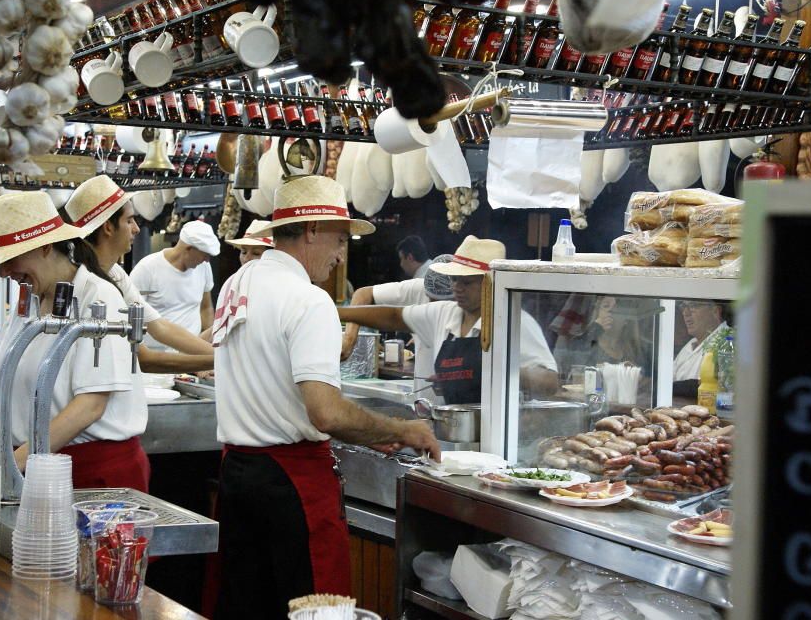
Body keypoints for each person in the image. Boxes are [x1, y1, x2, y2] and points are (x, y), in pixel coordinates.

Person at [211, 175, 439, 619]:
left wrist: (367, 433)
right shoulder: (308, 300)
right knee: (317, 612)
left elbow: (275, 388)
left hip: (238, 477)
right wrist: (404, 429)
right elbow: (326, 413)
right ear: (312, 229)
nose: (340, 254)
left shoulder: (236, 285)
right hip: (291, 488)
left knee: (247, 608)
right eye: (339, 239)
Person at [0, 191, 150, 491]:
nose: (4, 273)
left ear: (44, 246)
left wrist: (16, 463)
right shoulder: (27, 301)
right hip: (32, 466)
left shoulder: (98, 296)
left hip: (92, 475)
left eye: (10, 259)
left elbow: (91, 404)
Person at [339, 236, 560, 404]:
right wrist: (335, 312)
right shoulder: (445, 313)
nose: (456, 288)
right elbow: (394, 316)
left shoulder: (516, 322)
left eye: (466, 282)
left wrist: (496, 372)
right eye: (454, 280)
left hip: (496, 435)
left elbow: (550, 383)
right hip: (452, 432)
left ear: (489, 284)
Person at [64, 175, 214, 373]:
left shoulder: (116, 274)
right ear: (108, 227)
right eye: (129, 220)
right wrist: (219, 361)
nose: (136, 228)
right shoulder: (89, 283)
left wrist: (218, 354)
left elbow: (159, 327)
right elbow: (144, 358)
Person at [340, 254, 454, 401]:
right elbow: (364, 294)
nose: (433, 308)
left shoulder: (476, 308)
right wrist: (349, 339)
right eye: (429, 299)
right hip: (424, 404)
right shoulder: (418, 288)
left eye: (440, 303)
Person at [130, 220, 219, 344]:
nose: (207, 260)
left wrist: (209, 343)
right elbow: (132, 315)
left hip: (193, 350)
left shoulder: (203, 267)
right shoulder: (147, 268)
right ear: (188, 249)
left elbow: (206, 307)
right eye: (204, 255)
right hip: (158, 354)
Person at [553, 296, 650, 376]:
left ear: (626, 320)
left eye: (617, 309)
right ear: (598, 313)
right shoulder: (588, 340)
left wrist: (634, 374)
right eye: (606, 306)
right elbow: (574, 364)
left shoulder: (633, 349)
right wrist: (595, 330)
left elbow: (645, 376)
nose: (610, 311)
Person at [674, 300, 729, 381]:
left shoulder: (727, 342)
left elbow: (711, 387)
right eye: (683, 307)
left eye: (693, 306)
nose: (685, 313)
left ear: (715, 312)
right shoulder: (691, 343)